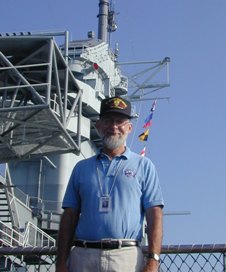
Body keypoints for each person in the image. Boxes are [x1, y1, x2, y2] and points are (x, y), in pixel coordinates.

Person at [56, 96, 164, 272]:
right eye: (107, 121)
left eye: (120, 121)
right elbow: (70, 215)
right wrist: (61, 262)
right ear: (98, 126)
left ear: (129, 127)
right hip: (83, 257)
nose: (114, 127)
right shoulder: (81, 168)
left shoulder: (144, 166)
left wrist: (153, 260)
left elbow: (155, 214)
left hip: (126, 257)